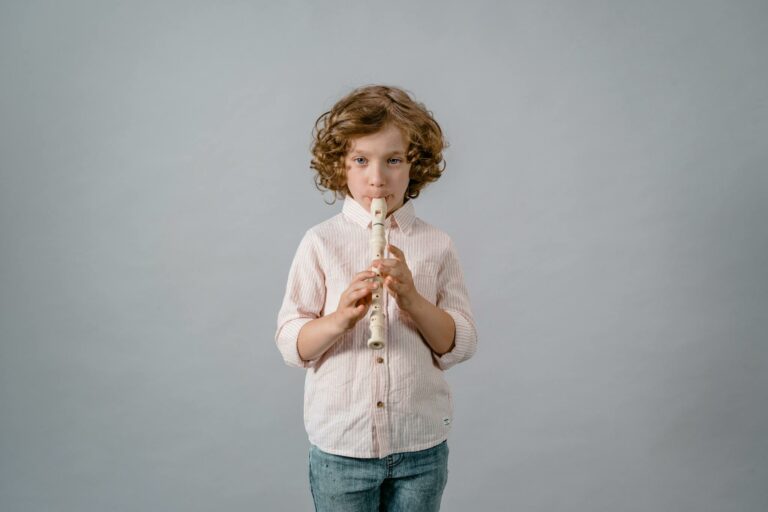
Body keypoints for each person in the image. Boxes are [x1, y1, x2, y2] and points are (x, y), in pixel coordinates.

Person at [275, 84, 478, 511]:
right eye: (361, 160)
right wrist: (340, 320)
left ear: (414, 166)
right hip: (341, 448)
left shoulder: (436, 244)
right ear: (340, 165)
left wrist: (413, 300)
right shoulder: (321, 242)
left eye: (394, 160)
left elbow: (458, 344)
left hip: (420, 446)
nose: (377, 177)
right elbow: (292, 343)